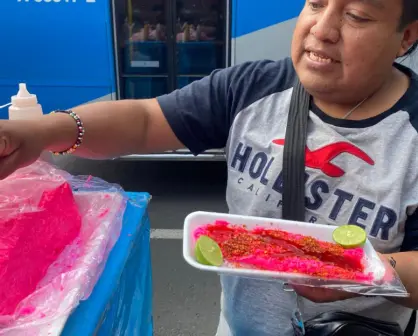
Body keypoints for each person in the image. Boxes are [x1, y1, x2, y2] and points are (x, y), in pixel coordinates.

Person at [1, 0, 418, 335]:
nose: (322, 29)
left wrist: (365, 271)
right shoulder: (252, 87)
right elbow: (146, 121)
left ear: (406, 37)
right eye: (315, 4)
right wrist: (42, 132)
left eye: (356, 15)